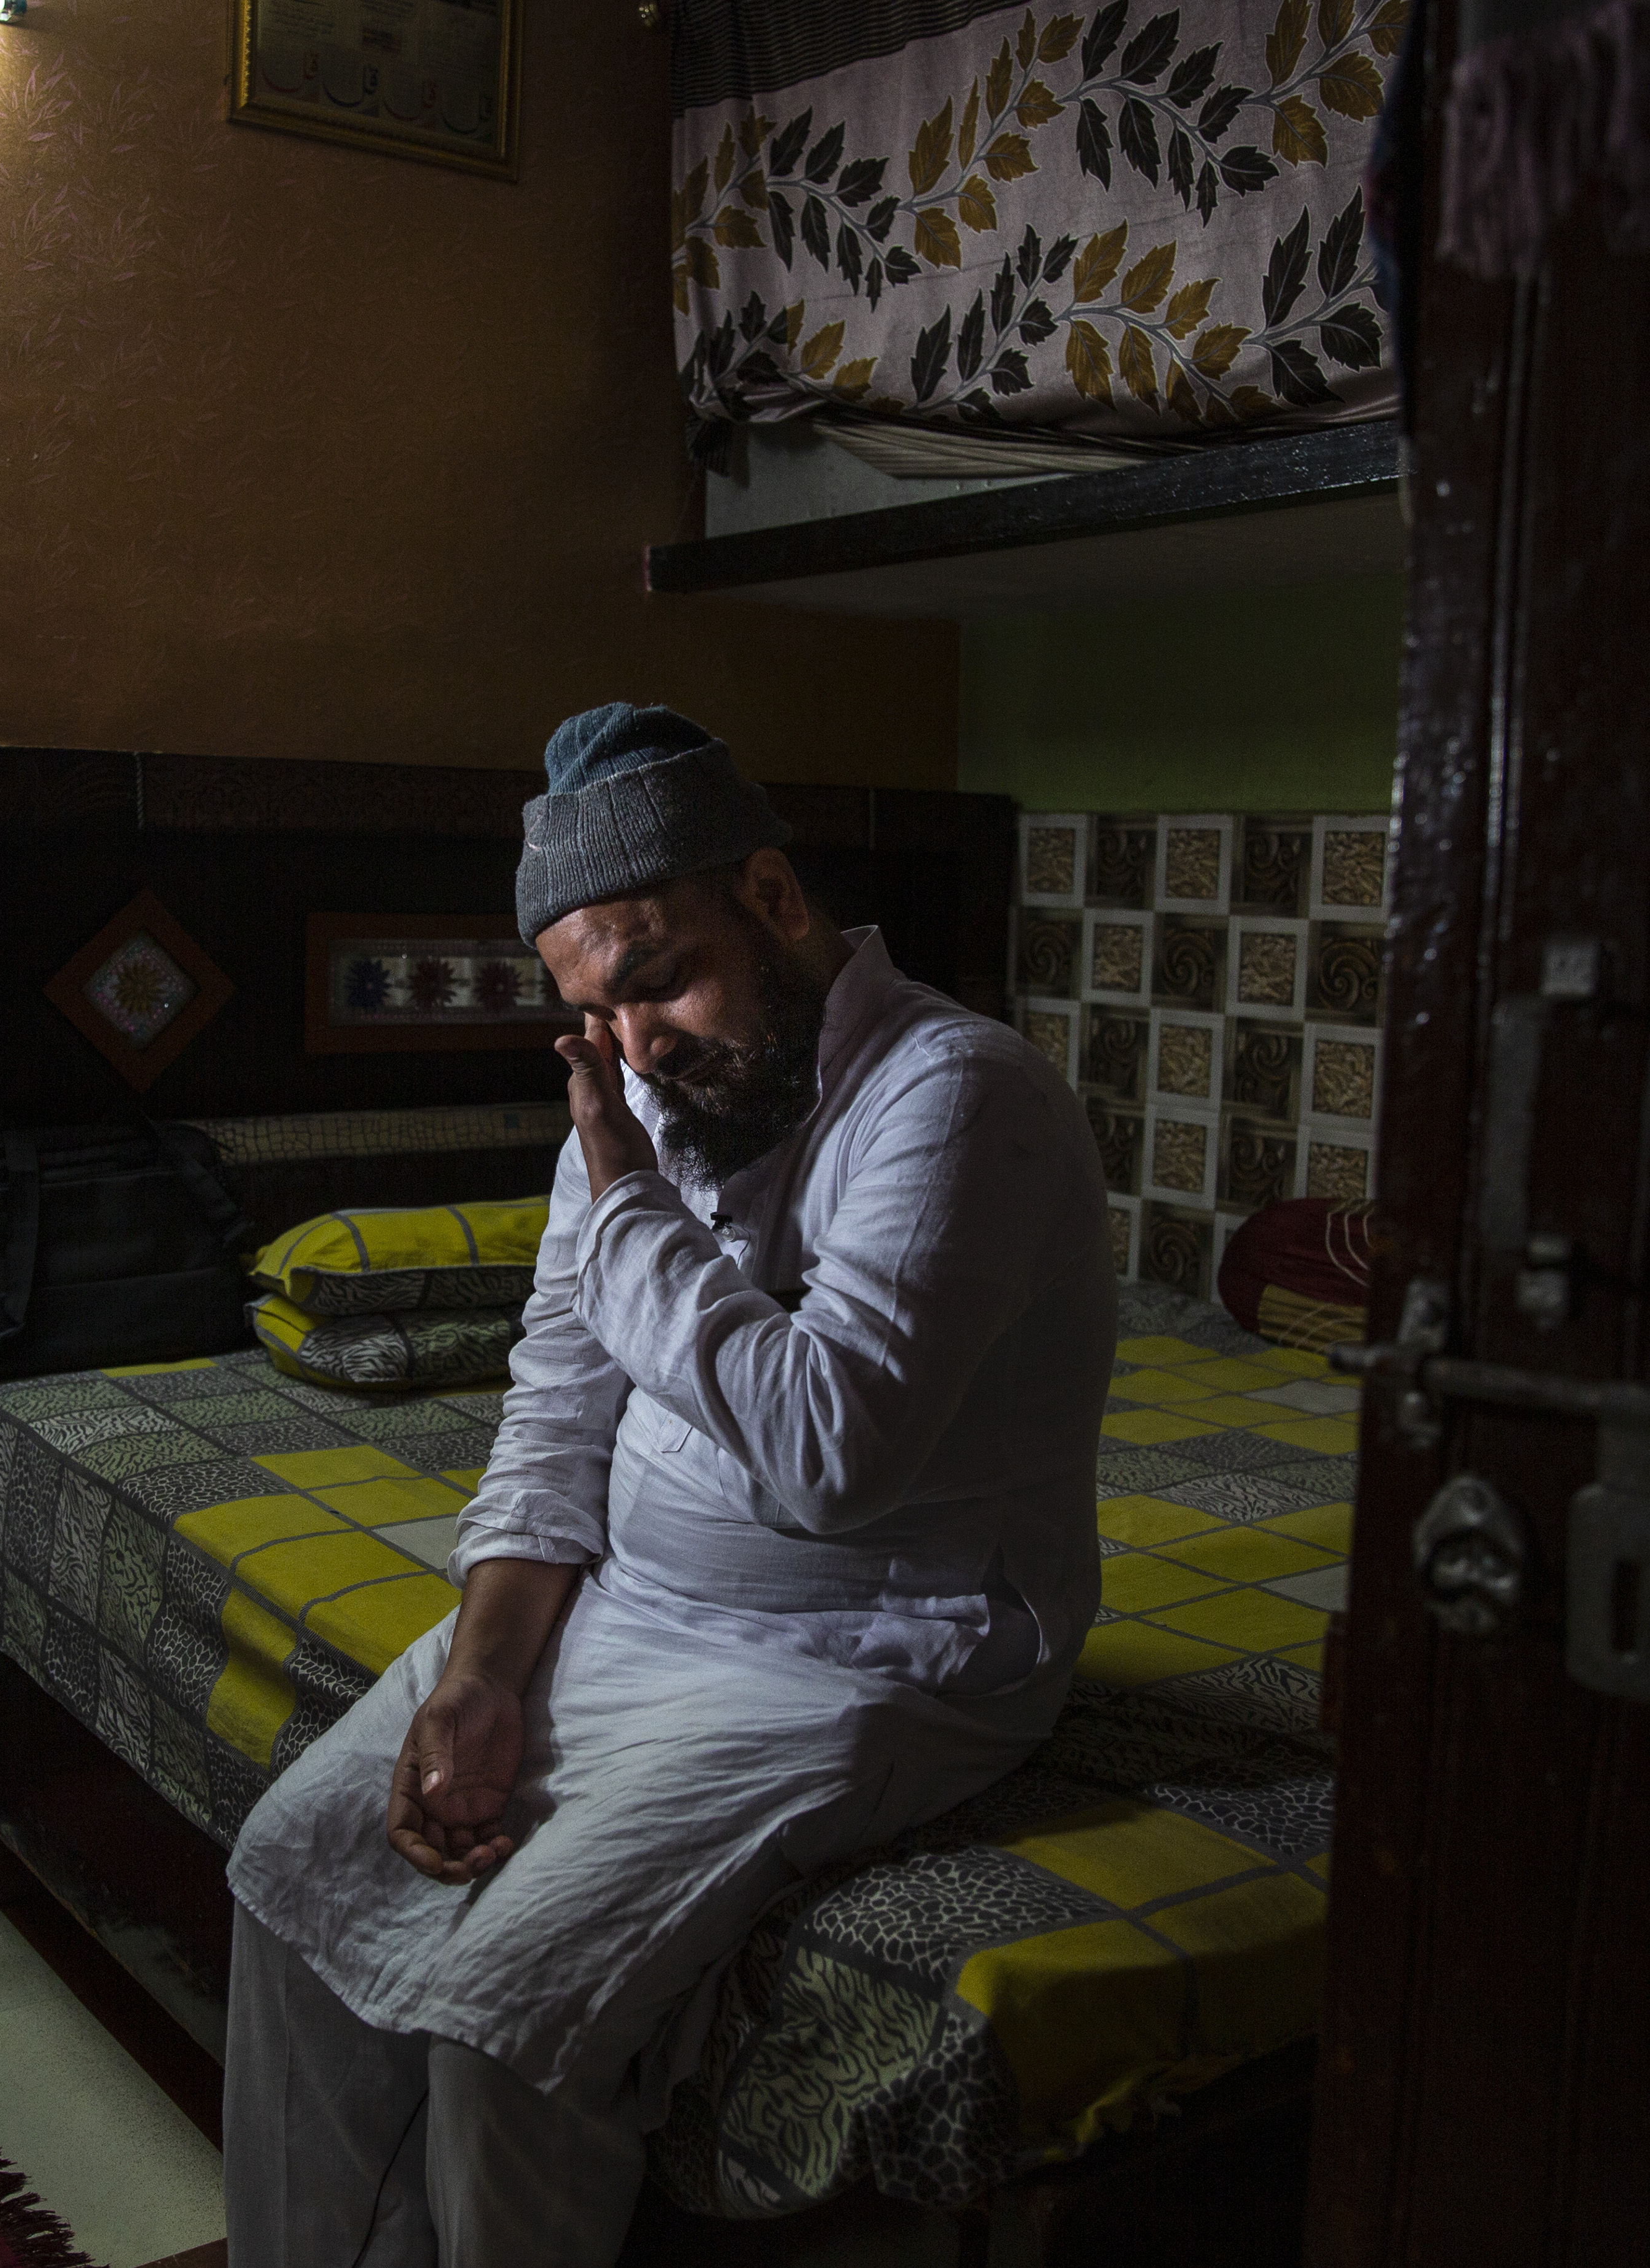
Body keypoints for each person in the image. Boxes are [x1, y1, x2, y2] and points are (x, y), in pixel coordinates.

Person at [221, 703, 1114, 2266]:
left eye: (658, 982)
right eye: (597, 1012)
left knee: (501, 2023)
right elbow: (557, 1411)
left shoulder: (953, 1092)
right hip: (628, 1619)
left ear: (770, 900)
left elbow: (832, 1455)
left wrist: (621, 1199)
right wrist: (485, 1672)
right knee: (291, 1869)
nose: (636, 1044)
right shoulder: (646, 1100)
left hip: (857, 1662)